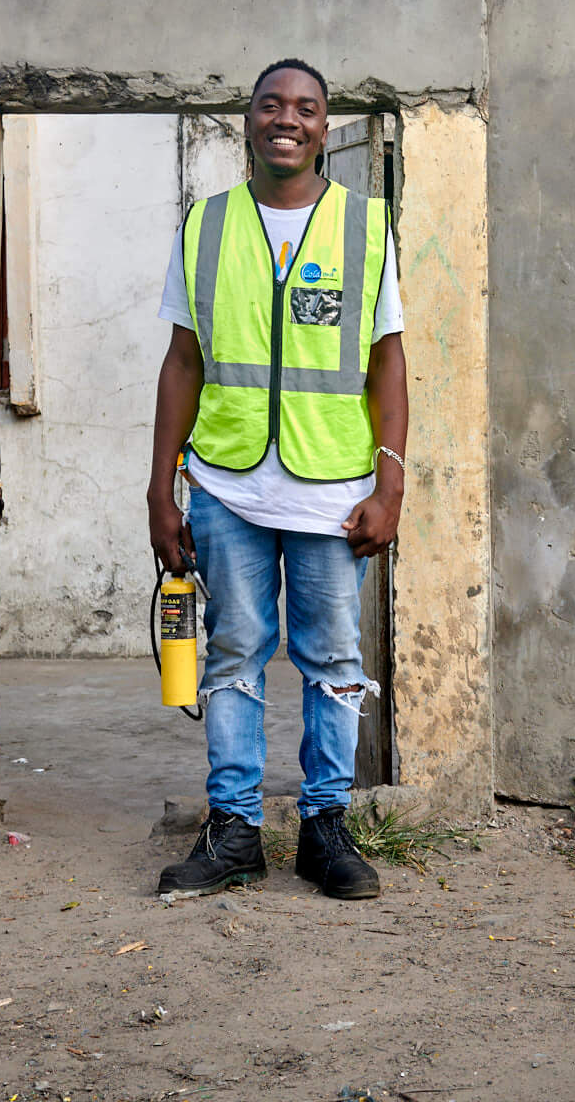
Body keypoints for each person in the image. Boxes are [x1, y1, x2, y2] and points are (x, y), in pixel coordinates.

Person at [148, 57, 409, 901]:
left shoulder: (365, 227)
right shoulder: (206, 225)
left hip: (334, 487)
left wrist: (391, 482)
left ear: (324, 127)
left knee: (332, 657)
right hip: (226, 485)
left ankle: (325, 828)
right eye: (271, 105)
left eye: (305, 107)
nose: (286, 119)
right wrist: (161, 487)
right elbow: (183, 360)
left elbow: (388, 362)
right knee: (232, 654)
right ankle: (234, 830)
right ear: (249, 121)